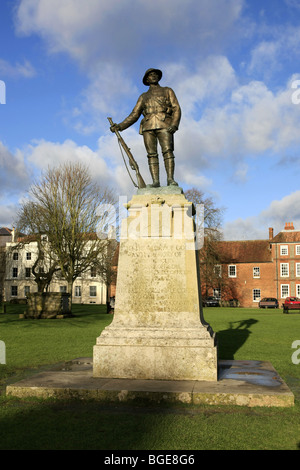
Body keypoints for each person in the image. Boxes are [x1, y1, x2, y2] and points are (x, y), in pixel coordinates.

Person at [110, 68, 181, 187]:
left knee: (168, 151)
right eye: (150, 75)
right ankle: (155, 182)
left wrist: (174, 124)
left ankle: (170, 179)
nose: (153, 76)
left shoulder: (168, 90)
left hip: (165, 124)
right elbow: (134, 114)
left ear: (158, 77)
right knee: (151, 154)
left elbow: (176, 108)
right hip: (148, 126)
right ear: (147, 80)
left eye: (155, 75)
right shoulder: (143, 96)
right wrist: (120, 126)